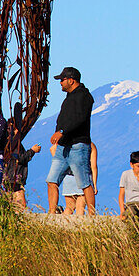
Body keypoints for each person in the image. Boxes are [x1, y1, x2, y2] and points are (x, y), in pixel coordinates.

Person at [46, 66, 95, 215]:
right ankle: (51, 213)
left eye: (62, 79)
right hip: (63, 147)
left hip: (78, 146)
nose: (60, 82)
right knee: (51, 180)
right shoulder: (70, 97)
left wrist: (62, 131)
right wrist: (58, 132)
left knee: (85, 182)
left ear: (71, 80)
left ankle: (92, 216)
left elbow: (79, 118)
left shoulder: (84, 96)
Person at [58, 140, 99, 214]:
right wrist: (94, 185)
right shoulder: (90, 145)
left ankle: (62, 225)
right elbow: (94, 167)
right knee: (80, 207)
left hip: (68, 177)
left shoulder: (67, 143)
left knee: (69, 207)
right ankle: (78, 225)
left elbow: (53, 149)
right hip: (83, 177)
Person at [5, 142, 42, 210]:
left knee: (10, 201)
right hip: (14, 176)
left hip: (9, 176)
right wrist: (32, 151)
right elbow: (20, 158)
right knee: (20, 204)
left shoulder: (8, 143)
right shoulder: (13, 143)